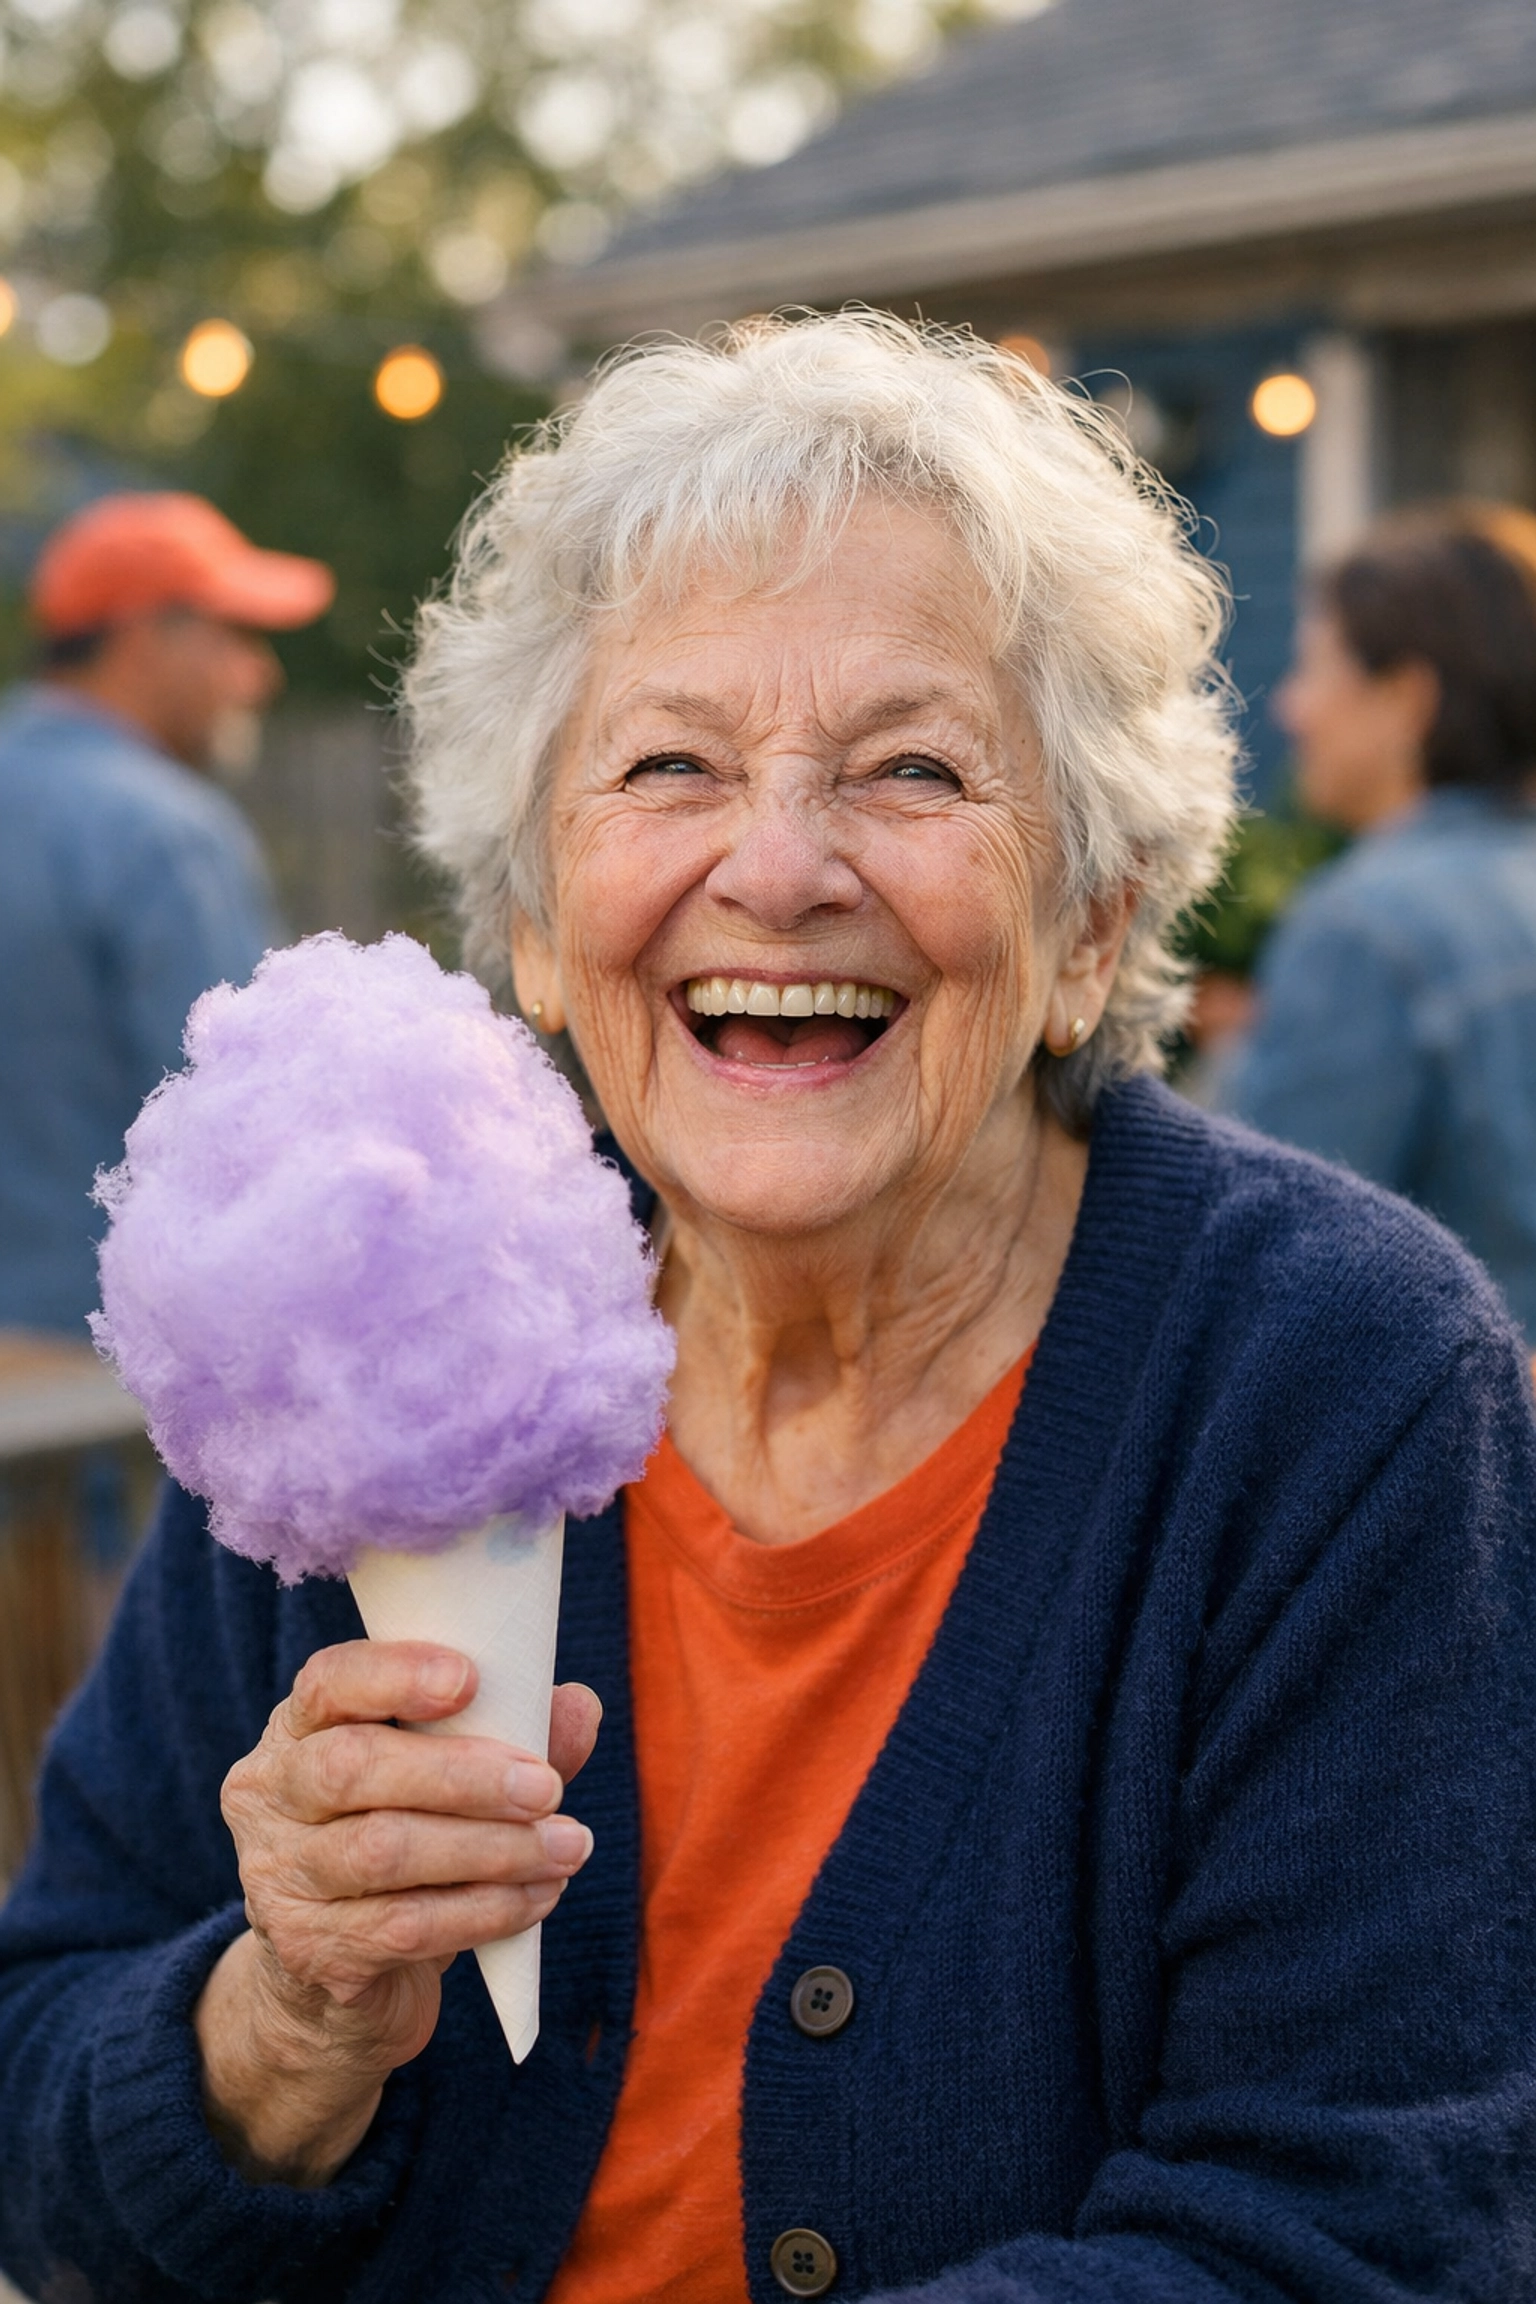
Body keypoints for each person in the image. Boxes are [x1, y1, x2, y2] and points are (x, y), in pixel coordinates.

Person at [2, 317, 1533, 2304]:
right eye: (671, 767)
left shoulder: (1335, 1379)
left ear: (1088, 924)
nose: (783, 867)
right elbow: (41, 2115)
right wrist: (279, 2023)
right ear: (541, 927)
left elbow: (1365, 2236)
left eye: (910, 769)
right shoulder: (376, 1332)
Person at [0, 492, 334, 1336]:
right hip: (101, 1399)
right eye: (236, 636)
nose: (260, 673)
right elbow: (243, 1137)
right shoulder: (163, 835)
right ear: (148, 637)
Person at [1221, 502, 1536, 1338]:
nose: (1291, 708)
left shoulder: (1365, 928)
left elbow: (1281, 1269)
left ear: (1405, 698)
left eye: (1316, 669)